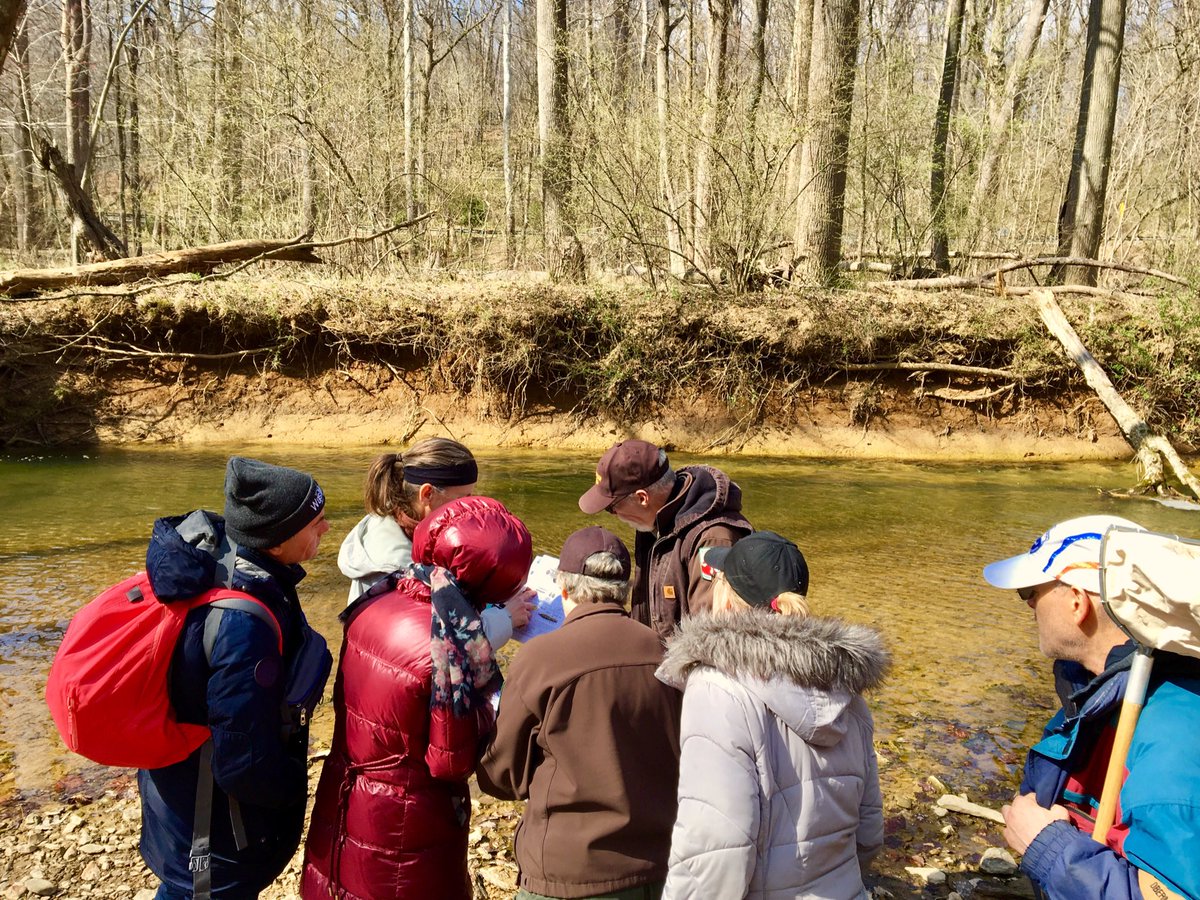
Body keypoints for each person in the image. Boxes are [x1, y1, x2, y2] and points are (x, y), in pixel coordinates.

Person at [300, 496, 534, 900]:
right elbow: (451, 760)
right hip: (407, 827)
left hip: (346, 796)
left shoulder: (377, 596)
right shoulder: (449, 645)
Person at [139, 456, 330, 899]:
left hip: (180, 802)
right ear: (277, 539)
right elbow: (242, 763)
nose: (325, 528)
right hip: (211, 828)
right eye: (316, 520)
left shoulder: (232, 562)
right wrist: (291, 792)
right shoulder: (243, 626)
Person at [657, 531, 887, 900]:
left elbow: (716, 846)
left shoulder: (718, 687)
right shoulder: (847, 689)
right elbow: (869, 831)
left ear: (728, 603)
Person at [984, 514, 1200, 900]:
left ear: (1077, 602)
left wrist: (1049, 848)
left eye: (1032, 590)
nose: (1029, 603)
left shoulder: (1174, 735)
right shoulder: (1094, 693)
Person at [478, 526, 683, 900]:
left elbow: (501, 776)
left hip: (567, 874)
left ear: (564, 588)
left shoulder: (540, 659)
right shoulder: (668, 653)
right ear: (625, 590)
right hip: (661, 865)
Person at [339, 437, 532, 642]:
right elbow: (441, 649)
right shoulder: (397, 570)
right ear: (427, 494)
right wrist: (505, 618)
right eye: (463, 498)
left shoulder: (392, 518)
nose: (471, 507)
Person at [578, 440, 752, 642]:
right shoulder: (653, 522)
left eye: (612, 507)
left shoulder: (714, 539)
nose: (613, 514)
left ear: (643, 498)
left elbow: (712, 638)